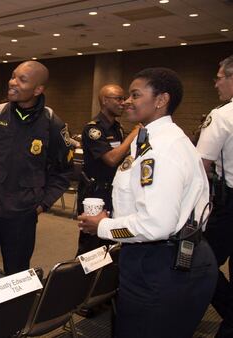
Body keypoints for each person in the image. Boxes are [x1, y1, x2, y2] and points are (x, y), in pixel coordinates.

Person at [78, 67, 218, 338]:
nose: (127, 101)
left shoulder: (160, 150)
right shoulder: (155, 140)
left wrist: (103, 226)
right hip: (166, 255)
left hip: (161, 263)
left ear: (161, 100)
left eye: (135, 94)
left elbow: (156, 225)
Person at [0, 61, 73, 275]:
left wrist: (42, 204)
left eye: (21, 80)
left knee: (17, 275)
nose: (12, 82)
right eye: (13, 76)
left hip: (22, 214)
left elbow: (64, 170)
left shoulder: (52, 123)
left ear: (38, 89)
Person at [76, 84, 140, 256]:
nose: (124, 102)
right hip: (95, 192)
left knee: (109, 239)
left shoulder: (117, 128)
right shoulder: (93, 129)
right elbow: (111, 159)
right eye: (118, 98)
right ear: (105, 101)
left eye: (124, 98)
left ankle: (103, 281)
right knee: (91, 244)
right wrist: (132, 136)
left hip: (112, 190)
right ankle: (82, 280)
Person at [196, 54, 233, 337]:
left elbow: (201, 166)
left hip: (228, 205)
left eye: (219, 77)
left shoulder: (222, 115)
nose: (216, 83)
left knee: (202, 264)